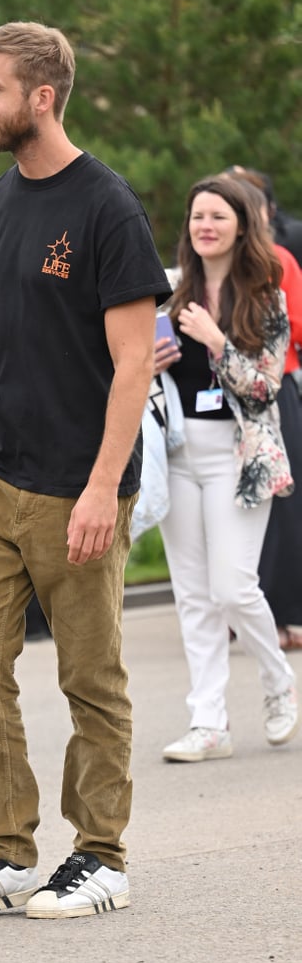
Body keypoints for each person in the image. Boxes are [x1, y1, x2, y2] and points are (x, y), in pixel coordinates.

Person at [0, 22, 171, 925]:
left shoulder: (107, 207)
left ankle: (100, 855)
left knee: (88, 675)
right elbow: (5, 342)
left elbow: (134, 361)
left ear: (42, 97)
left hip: (81, 483)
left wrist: (105, 485)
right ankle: (6, 852)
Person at [155, 174, 299, 764]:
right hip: (180, 457)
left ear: (241, 224)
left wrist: (216, 340)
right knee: (192, 595)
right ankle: (207, 720)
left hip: (239, 459)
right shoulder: (169, 292)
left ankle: (278, 684)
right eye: (197, 217)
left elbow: (267, 385)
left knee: (233, 587)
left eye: (217, 215)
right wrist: (152, 360)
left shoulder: (265, 294)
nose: (206, 225)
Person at [227, 170, 302, 651]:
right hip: (214, 404)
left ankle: (279, 614)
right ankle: (237, 609)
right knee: (230, 507)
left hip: (272, 393)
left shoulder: (279, 260)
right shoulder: (200, 266)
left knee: (282, 508)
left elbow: (295, 326)